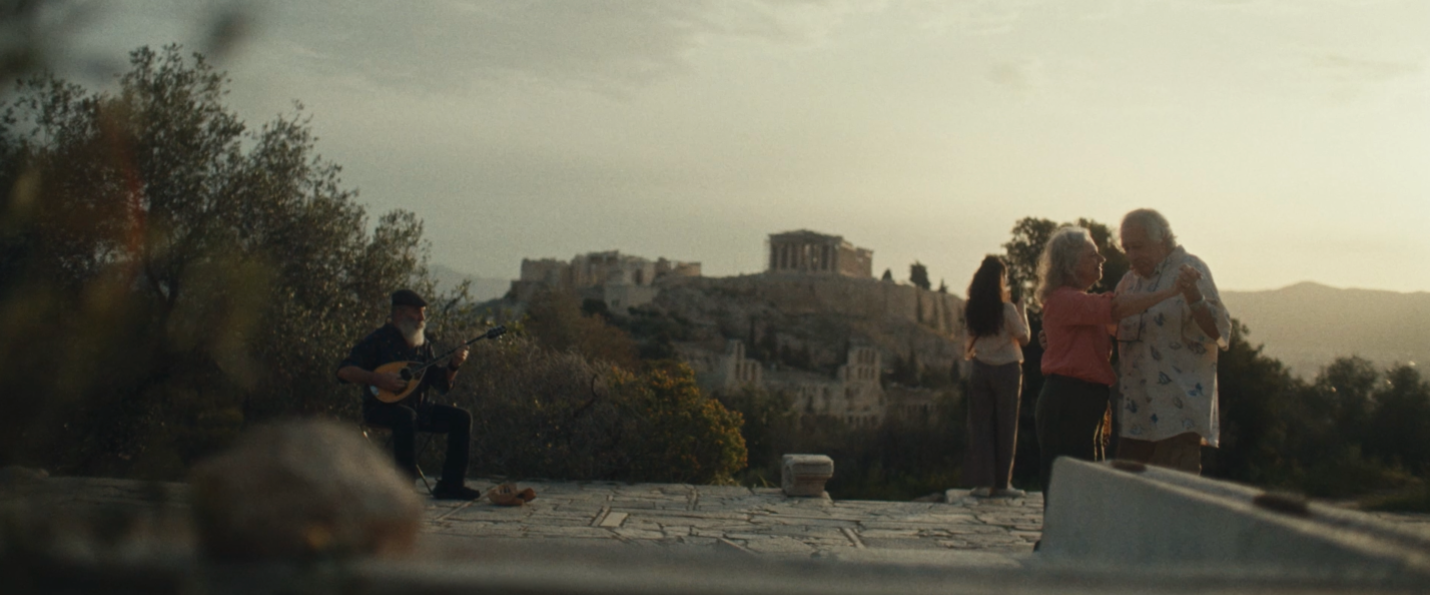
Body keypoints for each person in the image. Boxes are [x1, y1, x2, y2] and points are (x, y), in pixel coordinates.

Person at [1033, 226, 1196, 509]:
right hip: (1069, 398)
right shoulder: (1065, 299)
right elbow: (1117, 309)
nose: (1101, 260)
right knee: (1071, 481)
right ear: (1070, 262)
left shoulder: (1077, 303)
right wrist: (1171, 291)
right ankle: (1064, 535)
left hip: (1083, 398)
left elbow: (1121, 326)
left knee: (1082, 479)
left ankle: (1072, 534)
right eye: (1092, 255)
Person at [1113, 209, 1231, 474]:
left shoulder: (1190, 269)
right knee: (1128, 493)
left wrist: (1194, 297)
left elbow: (1219, 333)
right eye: (1126, 248)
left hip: (1177, 416)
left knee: (1171, 494)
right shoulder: (1129, 282)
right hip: (1135, 414)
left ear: (1163, 239)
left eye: (1138, 247)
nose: (1132, 255)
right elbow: (1111, 323)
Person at [336, 289, 482, 500]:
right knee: (406, 417)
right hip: (381, 409)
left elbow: (442, 385)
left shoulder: (423, 346)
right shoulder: (377, 340)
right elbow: (343, 371)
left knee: (461, 418)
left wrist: (454, 365)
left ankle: (451, 485)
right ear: (399, 314)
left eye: (423, 312)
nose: (422, 318)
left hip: (419, 408)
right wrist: (377, 379)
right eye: (417, 312)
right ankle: (404, 489)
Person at [962, 255, 1031, 498]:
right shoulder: (1007, 309)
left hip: (980, 367)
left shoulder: (972, 309)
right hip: (1007, 369)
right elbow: (1024, 338)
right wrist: (1023, 312)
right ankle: (1003, 484)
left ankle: (983, 483)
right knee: (1006, 426)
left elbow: (968, 338)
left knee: (980, 427)